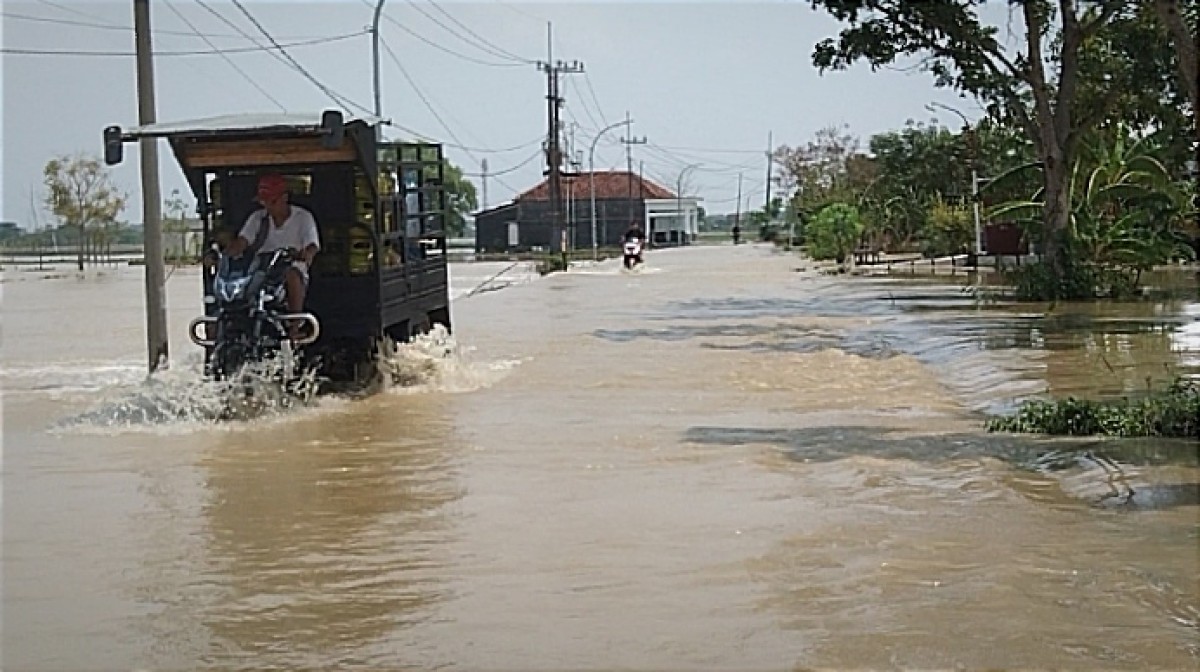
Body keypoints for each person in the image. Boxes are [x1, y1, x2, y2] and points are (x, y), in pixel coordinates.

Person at [222, 173, 320, 339]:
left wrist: (305, 254)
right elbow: (242, 241)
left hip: (289, 266)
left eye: (271, 201)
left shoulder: (303, 217)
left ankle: (294, 326)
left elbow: (312, 245)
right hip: (260, 269)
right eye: (263, 201)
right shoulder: (258, 218)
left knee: (292, 274)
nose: (267, 205)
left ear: (285, 198)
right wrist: (224, 254)